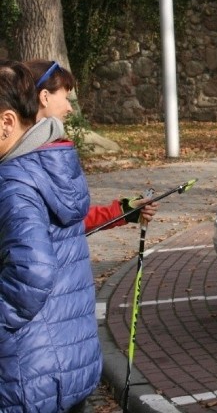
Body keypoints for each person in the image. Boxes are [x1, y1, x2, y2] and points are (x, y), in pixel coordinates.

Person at [0, 59, 102, 412]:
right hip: (66, 362)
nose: (70, 105)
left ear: (7, 122)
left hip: (28, 372)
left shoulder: (14, 182)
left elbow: (32, 272)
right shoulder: (51, 164)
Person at [25, 59, 158, 233]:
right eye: (65, 98)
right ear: (44, 97)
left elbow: (67, 223)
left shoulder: (47, 154)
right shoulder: (21, 164)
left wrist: (123, 211)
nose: (70, 108)